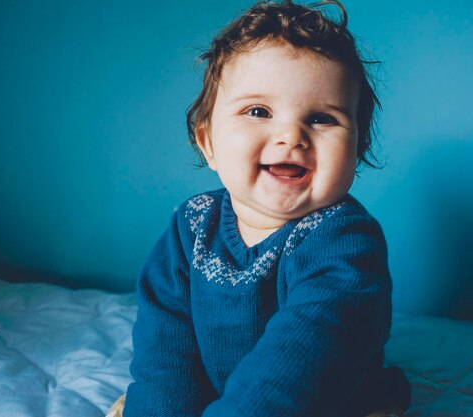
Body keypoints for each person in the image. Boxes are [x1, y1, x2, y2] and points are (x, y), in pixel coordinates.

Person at [118, 0, 411, 416]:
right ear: (209, 143)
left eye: (323, 119)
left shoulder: (344, 238)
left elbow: (307, 345)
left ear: (357, 151)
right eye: (258, 111)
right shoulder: (192, 226)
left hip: (323, 399)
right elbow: (165, 345)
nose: (291, 134)